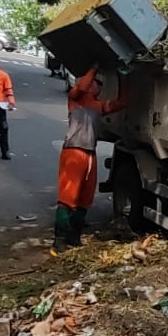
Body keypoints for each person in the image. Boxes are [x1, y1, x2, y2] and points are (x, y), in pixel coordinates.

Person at [54, 68, 127, 254]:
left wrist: (122, 76)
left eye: (100, 85)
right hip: (73, 152)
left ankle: (74, 236)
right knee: (67, 198)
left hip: (89, 155)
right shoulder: (75, 99)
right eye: (96, 83)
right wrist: (94, 68)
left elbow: (122, 102)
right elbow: (82, 85)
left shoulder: (98, 106)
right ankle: (59, 241)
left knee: (85, 199)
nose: (98, 86)